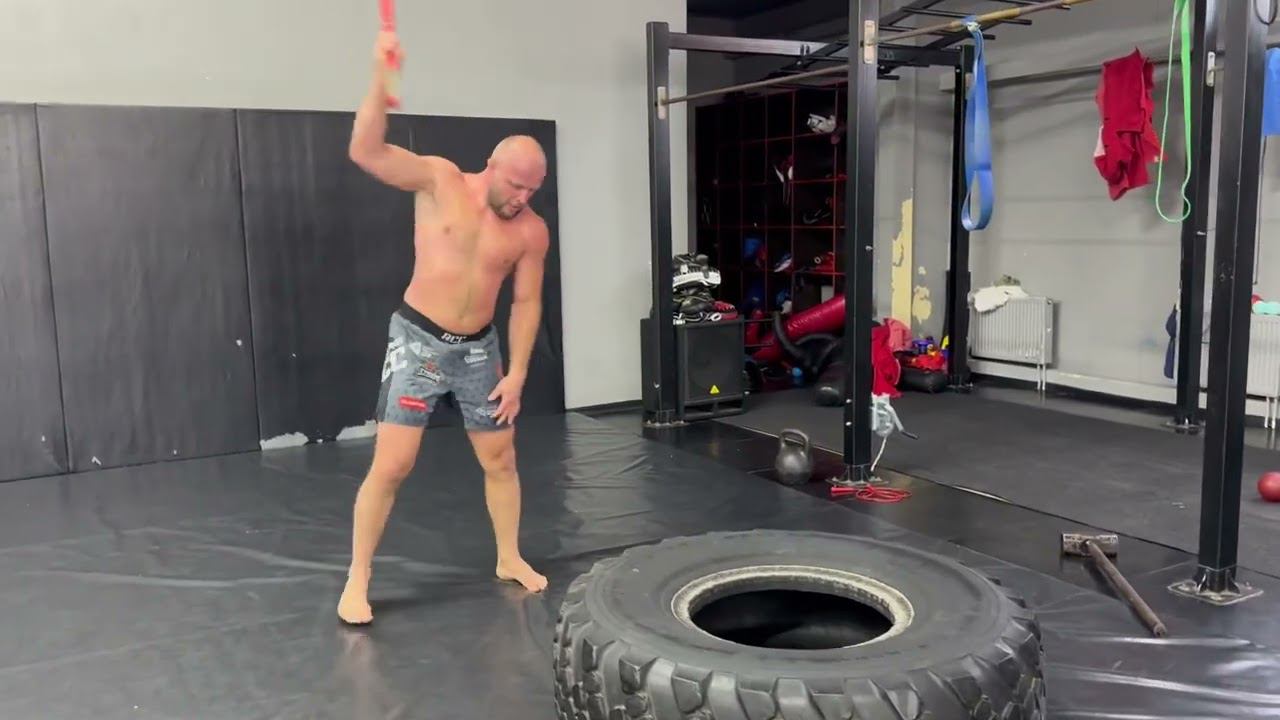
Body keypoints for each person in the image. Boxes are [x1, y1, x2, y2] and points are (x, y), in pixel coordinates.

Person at [338, 30, 551, 625]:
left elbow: (526, 303)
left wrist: (518, 373)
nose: (523, 197)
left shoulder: (531, 231)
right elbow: (365, 151)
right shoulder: (439, 181)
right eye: (516, 184)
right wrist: (380, 80)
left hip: (478, 351)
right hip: (419, 341)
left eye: (534, 189)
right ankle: (358, 578)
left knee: (501, 460)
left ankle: (508, 556)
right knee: (393, 465)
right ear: (492, 167)